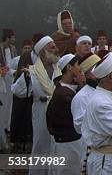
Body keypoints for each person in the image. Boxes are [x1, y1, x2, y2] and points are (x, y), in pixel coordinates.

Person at [11, 36, 61, 175]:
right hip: (40, 110)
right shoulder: (32, 71)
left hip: (57, 111)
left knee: (55, 144)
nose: (56, 50)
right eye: (52, 47)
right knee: (41, 144)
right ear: (43, 51)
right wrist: (25, 78)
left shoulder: (60, 70)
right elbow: (17, 91)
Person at [46, 54, 84, 175]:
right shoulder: (63, 94)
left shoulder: (69, 89)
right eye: (77, 65)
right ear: (69, 67)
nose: (80, 68)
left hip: (72, 143)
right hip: (67, 145)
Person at [9, 39, 34, 151]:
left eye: (29, 48)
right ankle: (16, 141)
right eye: (25, 48)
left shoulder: (33, 60)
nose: (27, 50)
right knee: (17, 116)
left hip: (30, 96)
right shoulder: (16, 60)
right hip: (20, 95)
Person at [0, 28, 17, 151]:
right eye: (12, 37)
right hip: (3, 77)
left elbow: (14, 62)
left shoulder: (13, 49)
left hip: (12, 76)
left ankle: (8, 127)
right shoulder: (1, 48)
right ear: (8, 37)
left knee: (9, 104)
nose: (14, 39)